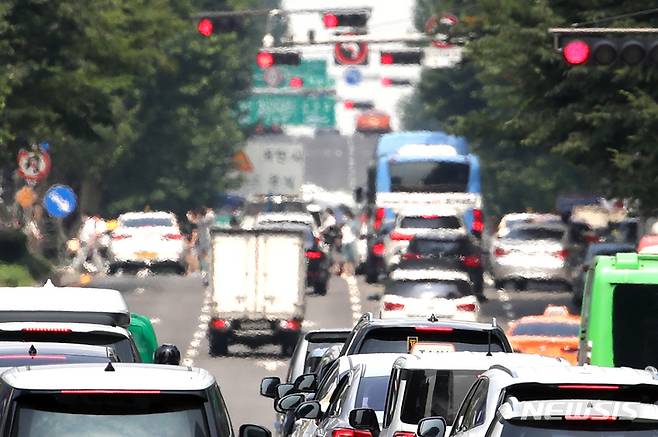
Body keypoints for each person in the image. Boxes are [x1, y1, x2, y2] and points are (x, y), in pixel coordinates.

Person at [188, 207, 215, 285]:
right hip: (202, 242)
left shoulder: (209, 216)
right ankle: (205, 278)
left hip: (206, 242)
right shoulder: (204, 220)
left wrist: (191, 218)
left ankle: (207, 277)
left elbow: (198, 222)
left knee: (207, 260)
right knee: (202, 260)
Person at [340, 210, 360, 276]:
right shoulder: (344, 223)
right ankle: (346, 271)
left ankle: (352, 271)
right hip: (344, 241)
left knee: (351, 258)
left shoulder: (354, 222)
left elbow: (357, 231)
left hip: (351, 241)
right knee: (345, 258)